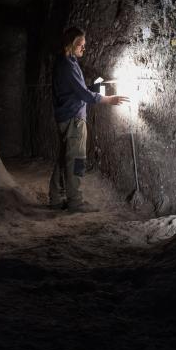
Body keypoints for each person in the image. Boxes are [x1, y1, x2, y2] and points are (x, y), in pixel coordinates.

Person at [49, 27, 129, 212]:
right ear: (71, 43)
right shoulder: (67, 65)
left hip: (66, 116)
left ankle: (55, 199)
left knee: (64, 159)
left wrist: (94, 86)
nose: (83, 49)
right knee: (75, 160)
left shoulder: (67, 62)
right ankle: (75, 202)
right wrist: (109, 99)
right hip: (73, 119)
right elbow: (82, 94)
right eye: (81, 45)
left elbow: (78, 89)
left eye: (84, 45)